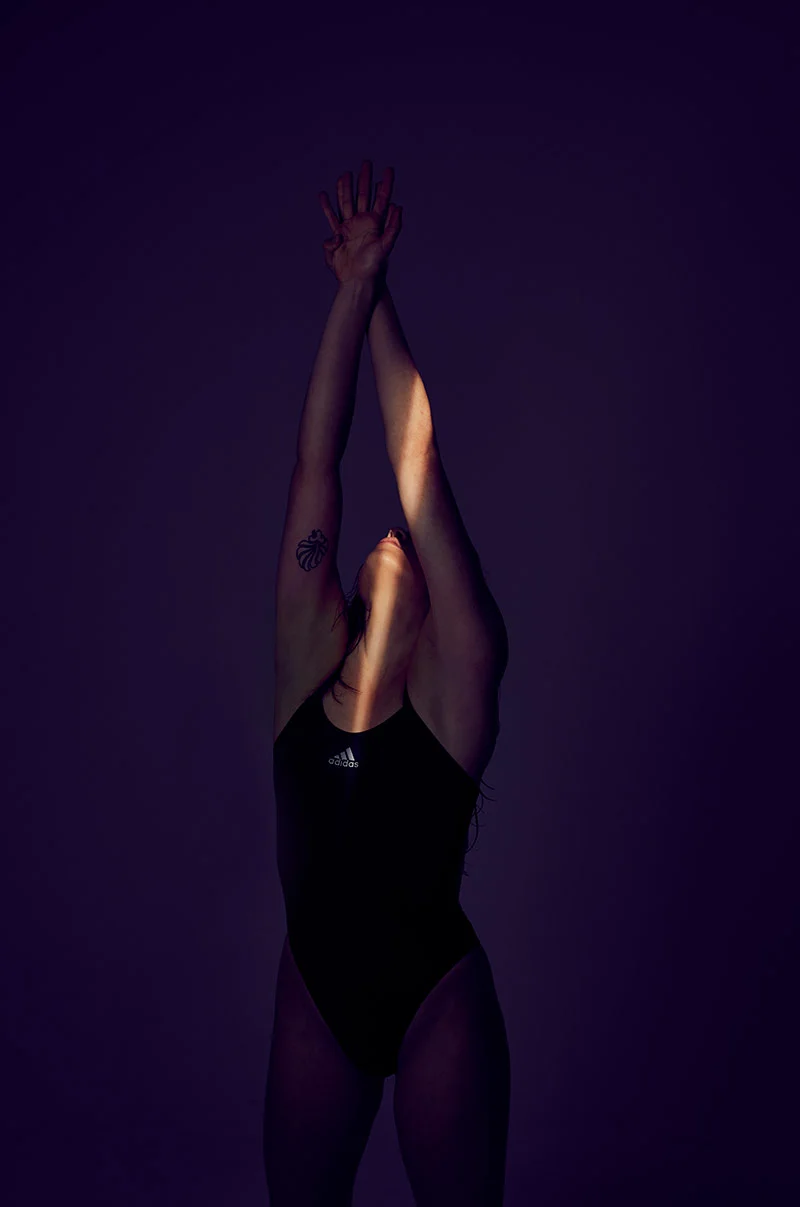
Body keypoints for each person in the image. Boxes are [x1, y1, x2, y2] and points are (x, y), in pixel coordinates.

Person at [263, 159, 511, 1206]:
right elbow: (315, 462)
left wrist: (381, 309)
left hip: (433, 1000)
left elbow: (418, 468)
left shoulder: (456, 695)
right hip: (317, 994)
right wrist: (347, 290)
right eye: (377, 547)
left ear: (428, 625)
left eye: (405, 547)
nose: (383, 533)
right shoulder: (302, 671)